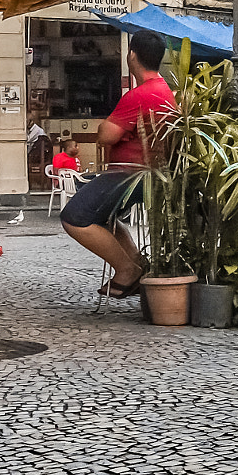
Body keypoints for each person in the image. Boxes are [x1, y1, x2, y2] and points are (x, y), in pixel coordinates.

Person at [60, 32, 175, 297]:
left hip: (129, 172)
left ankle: (126, 270)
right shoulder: (165, 90)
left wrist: (106, 125)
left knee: (74, 217)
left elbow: (105, 136)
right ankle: (137, 264)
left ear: (131, 55)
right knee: (103, 218)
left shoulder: (140, 95)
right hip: (149, 172)